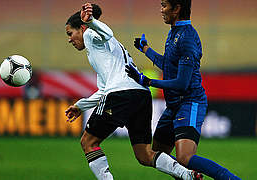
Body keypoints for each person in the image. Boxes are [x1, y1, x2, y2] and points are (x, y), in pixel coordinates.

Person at [64, 2, 199, 180]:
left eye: (70, 34)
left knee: (88, 142)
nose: (69, 39)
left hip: (121, 94)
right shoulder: (107, 51)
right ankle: (186, 174)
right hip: (141, 95)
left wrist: (91, 22)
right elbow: (104, 90)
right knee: (144, 154)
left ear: (81, 28)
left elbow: (106, 33)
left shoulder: (90, 34)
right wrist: (81, 106)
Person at [125, 0, 241, 180]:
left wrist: (147, 81)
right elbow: (168, 64)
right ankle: (190, 177)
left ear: (177, 8)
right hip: (173, 106)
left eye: (164, 5)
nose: (161, 10)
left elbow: (182, 83)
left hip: (190, 102)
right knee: (157, 154)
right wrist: (145, 49)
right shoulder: (174, 32)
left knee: (184, 157)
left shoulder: (187, 38)